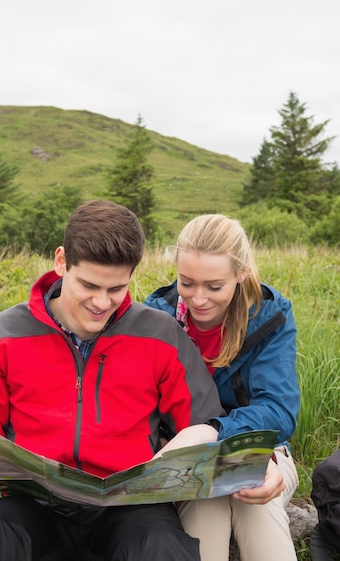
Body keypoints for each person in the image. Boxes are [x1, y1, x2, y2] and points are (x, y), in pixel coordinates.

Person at [0, 199, 226, 561]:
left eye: (116, 288)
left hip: (131, 511)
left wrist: (204, 441)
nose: (102, 302)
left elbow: (206, 424)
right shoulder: (4, 336)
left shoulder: (162, 335)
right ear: (61, 262)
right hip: (33, 508)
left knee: (162, 548)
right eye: (89, 285)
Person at [144, 213, 300, 561]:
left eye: (214, 286)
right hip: (184, 462)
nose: (198, 299)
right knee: (205, 510)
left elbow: (279, 409)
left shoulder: (270, 316)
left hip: (262, 451)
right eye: (186, 283)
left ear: (241, 273)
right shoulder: (155, 318)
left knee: (255, 503)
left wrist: (212, 431)